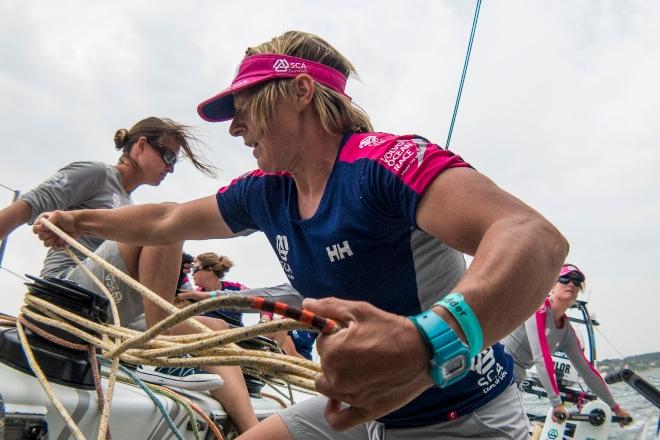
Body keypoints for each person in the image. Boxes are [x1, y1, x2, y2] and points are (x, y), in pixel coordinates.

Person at [34, 31, 568, 440]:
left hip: (463, 413)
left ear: (301, 92)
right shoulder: (267, 192)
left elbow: (532, 237)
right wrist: (79, 221)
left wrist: (429, 341)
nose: (235, 127)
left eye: (244, 106)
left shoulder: (384, 163)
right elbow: (167, 219)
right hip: (356, 406)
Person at [2, 117, 258, 432]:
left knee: (215, 327)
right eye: (168, 156)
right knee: (166, 223)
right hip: (69, 299)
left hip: (111, 312)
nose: (171, 168)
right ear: (140, 145)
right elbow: (24, 209)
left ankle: (252, 431)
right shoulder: (96, 175)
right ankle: (160, 349)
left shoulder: (128, 203)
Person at [502, 264, 631, 426]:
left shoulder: (567, 332)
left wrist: (615, 408)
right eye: (564, 279)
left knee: (516, 427)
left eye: (576, 282)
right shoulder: (538, 309)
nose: (571, 284)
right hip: (497, 366)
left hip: (515, 377)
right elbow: (541, 357)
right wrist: (556, 403)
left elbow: (586, 371)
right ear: (552, 286)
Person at [178, 252, 246, 327]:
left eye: (195, 269)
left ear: (210, 270)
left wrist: (261, 322)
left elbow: (260, 299)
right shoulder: (195, 295)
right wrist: (180, 273)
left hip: (238, 335)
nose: (193, 274)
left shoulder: (237, 288)